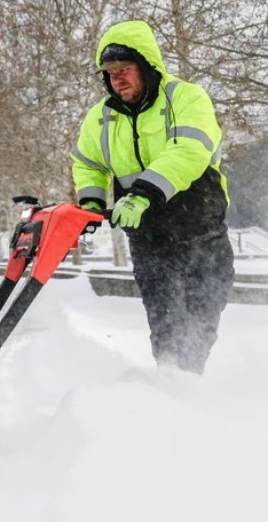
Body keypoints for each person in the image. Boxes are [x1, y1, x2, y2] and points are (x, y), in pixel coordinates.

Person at [70, 20, 234, 374]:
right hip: (150, 239)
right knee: (166, 325)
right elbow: (87, 163)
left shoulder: (186, 99)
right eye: (110, 73)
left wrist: (143, 194)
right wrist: (91, 203)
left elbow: (189, 150)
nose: (117, 79)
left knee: (202, 320)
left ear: (146, 65)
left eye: (125, 69)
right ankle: (171, 381)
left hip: (201, 232)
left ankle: (189, 382)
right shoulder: (100, 119)